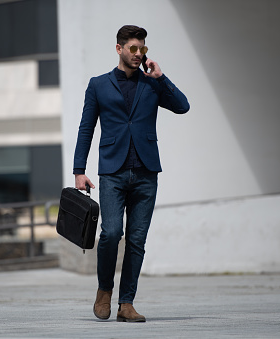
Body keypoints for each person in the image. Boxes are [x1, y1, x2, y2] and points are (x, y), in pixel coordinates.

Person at [73, 25, 190, 322]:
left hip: (146, 172)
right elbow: (86, 128)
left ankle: (127, 304)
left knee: (137, 240)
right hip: (112, 172)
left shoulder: (152, 84)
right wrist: (79, 170)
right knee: (111, 233)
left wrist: (161, 77)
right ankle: (104, 290)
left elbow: (183, 106)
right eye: (133, 49)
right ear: (119, 49)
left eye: (143, 49)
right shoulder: (98, 85)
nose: (139, 54)